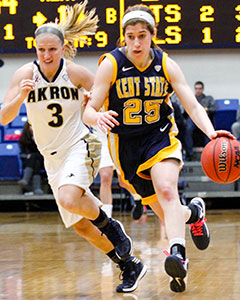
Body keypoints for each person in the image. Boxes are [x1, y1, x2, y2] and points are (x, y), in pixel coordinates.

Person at [83, 4, 235, 293]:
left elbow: (191, 103)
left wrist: (211, 133)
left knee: (167, 191)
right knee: (169, 212)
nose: (136, 42)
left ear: (153, 35)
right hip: (126, 147)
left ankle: (177, 254)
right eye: (130, 36)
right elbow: (88, 111)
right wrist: (97, 116)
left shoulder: (165, 63)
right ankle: (194, 213)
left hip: (160, 137)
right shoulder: (111, 64)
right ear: (123, 38)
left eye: (142, 35)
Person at [0, 1, 147, 293]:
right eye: (41, 49)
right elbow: (5, 117)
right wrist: (20, 98)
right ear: (35, 48)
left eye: (52, 49)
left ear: (63, 47)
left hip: (80, 145)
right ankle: (129, 264)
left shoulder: (76, 73)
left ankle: (114, 228)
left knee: (69, 198)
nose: (46, 55)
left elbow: (106, 98)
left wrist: (94, 102)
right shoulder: (24, 75)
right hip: (51, 159)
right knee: (81, 225)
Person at [184, 81, 217, 160]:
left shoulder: (208, 98)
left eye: (200, 88)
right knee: (187, 129)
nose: (198, 90)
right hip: (193, 118)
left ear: (203, 89)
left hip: (205, 117)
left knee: (209, 130)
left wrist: (206, 110)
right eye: (196, 89)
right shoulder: (191, 98)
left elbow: (214, 108)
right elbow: (185, 109)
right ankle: (190, 153)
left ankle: (208, 152)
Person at [18, 121, 45, 195]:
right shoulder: (23, 139)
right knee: (35, 161)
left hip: (42, 159)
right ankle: (37, 188)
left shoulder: (42, 139)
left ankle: (25, 179)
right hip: (29, 161)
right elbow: (22, 154)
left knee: (34, 156)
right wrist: (27, 156)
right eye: (31, 126)